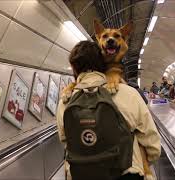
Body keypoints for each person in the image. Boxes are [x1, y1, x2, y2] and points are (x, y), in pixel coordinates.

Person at [56, 41, 161, 180]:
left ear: (74, 67)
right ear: (104, 63)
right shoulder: (128, 93)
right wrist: (144, 164)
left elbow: (65, 140)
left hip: (82, 174)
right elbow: (151, 141)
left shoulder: (66, 100)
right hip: (126, 172)